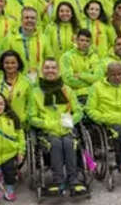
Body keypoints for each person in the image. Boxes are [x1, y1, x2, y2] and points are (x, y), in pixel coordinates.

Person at [31, 58, 86, 196]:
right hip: (47, 131)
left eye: (53, 67)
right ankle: (58, 181)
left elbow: (79, 111)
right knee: (55, 143)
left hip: (67, 129)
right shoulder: (35, 92)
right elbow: (31, 117)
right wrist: (47, 124)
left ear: (58, 70)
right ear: (42, 71)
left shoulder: (67, 90)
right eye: (47, 67)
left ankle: (73, 180)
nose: (50, 70)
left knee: (69, 143)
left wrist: (71, 121)